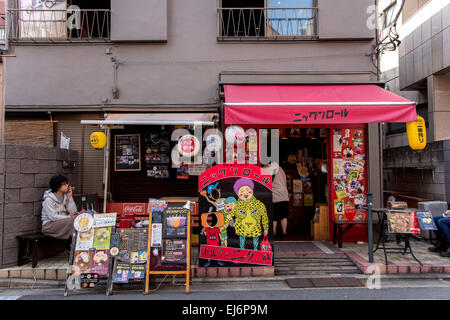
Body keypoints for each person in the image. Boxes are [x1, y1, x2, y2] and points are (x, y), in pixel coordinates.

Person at [41, 175, 79, 240]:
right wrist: (70, 217)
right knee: (73, 221)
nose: (67, 186)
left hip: (63, 222)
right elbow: (53, 217)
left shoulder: (65, 196)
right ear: (57, 186)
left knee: (79, 218)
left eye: (67, 183)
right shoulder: (48, 200)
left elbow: (73, 211)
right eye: (64, 184)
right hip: (49, 225)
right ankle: (72, 244)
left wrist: (70, 197)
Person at [270, 163, 289, 239]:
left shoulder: (272, 169)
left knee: (274, 216)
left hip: (276, 195)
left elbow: (268, 181)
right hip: (284, 195)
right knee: (283, 216)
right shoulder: (281, 169)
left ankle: (274, 232)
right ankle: (284, 232)